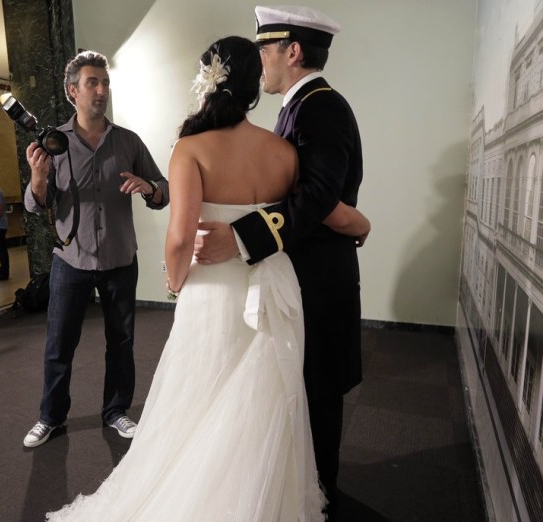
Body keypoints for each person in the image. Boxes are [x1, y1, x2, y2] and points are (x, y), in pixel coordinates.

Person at [44, 36, 368, 522]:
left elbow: (179, 238)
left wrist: (175, 282)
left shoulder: (190, 148)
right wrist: (361, 224)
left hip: (216, 286)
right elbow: (317, 208)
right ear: (252, 89)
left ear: (207, 84)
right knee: (268, 395)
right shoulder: (282, 151)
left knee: (200, 392)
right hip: (276, 285)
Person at [193, 7, 367, 520]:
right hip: (301, 275)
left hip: (319, 281)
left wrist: (243, 237)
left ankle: (319, 503)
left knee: (316, 400)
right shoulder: (301, 106)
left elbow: (316, 196)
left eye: (265, 50)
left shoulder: (321, 108)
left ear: (292, 52)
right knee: (297, 399)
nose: (260, 63)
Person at [23, 50, 169, 448]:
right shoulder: (54, 142)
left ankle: (116, 411)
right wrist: (38, 177)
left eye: (105, 83)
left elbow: (164, 190)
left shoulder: (128, 141)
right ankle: (50, 417)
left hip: (120, 257)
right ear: (73, 91)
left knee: (121, 342)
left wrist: (150, 188)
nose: (101, 91)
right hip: (70, 260)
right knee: (59, 344)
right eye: (93, 83)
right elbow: (36, 203)